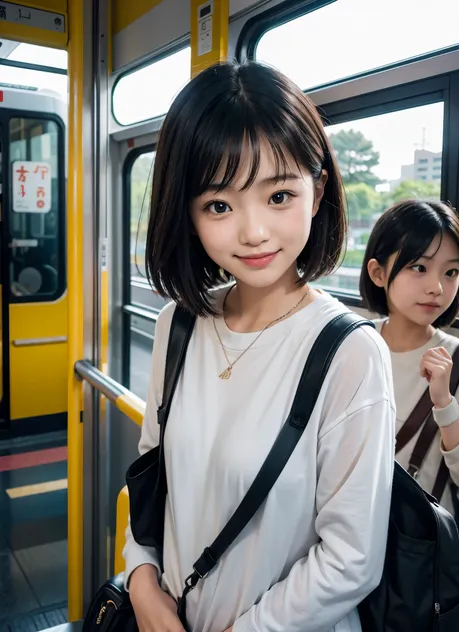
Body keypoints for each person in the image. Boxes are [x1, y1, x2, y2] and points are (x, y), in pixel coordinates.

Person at [123, 60, 396, 632]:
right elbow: (153, 479)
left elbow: (351, 560)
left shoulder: (348, 353)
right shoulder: (180, 324)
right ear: (188, 214)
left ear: (317, 192)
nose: (253, 232)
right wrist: (142, 580)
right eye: (219, 205)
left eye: (278, 196)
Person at [360, 199, 459, 631]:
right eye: (419, 268)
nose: (437, 288)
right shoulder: (350, 345)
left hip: (417, 558)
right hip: (339, 542)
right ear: (378, 272)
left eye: (451, 272)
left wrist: (444, 403)